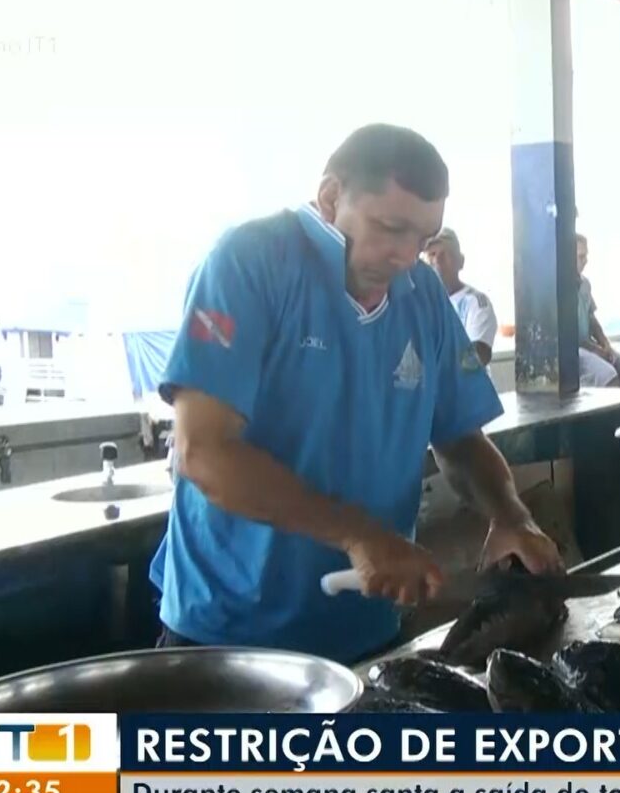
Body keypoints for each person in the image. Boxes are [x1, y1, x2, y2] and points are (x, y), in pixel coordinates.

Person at [151, 124, 563, 664]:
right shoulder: (249, 262)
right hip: (230, 639)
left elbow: (461, 439)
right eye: (390, 228)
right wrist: (359, 536)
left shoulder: (423, 296)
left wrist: (510, 515)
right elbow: (204, 451)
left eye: (424, 238)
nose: (406, 255)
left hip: (369, 634)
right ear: (330, 197)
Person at [424, 227, 498, 365]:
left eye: (446, 254)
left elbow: (478, 356)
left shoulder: (476, 303)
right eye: (432, 255)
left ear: (461, 261)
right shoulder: (419, 305)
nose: (437, 261)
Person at [574, 234, 620, 387]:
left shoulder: (585, 284)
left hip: (589, 344)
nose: (585, 261)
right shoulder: (559, 288)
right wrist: (595, 350)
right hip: (574, 350)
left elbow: (591, 318)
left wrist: (605, 344)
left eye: (586, 256)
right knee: (608, 375)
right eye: (581, 256)